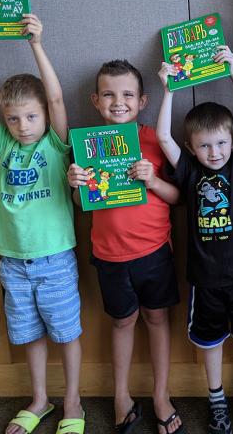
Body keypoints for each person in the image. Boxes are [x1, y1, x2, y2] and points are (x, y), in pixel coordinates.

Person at [0, 13, 85, 434]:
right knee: (28, 333)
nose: (22, 126)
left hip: (53, 259)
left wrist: (36, 44)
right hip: (13, 262)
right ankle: (40, 399)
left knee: (66, 333)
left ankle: (74, 403)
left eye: (29, 117)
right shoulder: (4, 144)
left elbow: (54, 99)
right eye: (14, 119)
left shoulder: (55, 142)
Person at [67, 60, 184, 434]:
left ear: (142, 100)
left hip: (154, 252)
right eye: (109, 94)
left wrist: (153, 181)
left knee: (157, 319)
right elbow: (79, 204)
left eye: (128, 94)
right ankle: (121, 395)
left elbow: (177, 196)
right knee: (121, 322)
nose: (119, 102)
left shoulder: (156, 139)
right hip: (109, 256)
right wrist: (74, 184)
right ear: (96, 100)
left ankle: (161, 395)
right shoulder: (85, 146)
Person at [156, 46, 233, 434]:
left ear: (232, 142)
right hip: (205, 278)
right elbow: (163, 138)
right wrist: (168, 90)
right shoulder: (188, 171)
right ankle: (216, 396)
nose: (214, 152)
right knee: (210, 339)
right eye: (204, 145)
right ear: (191, 149)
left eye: (220, 143)